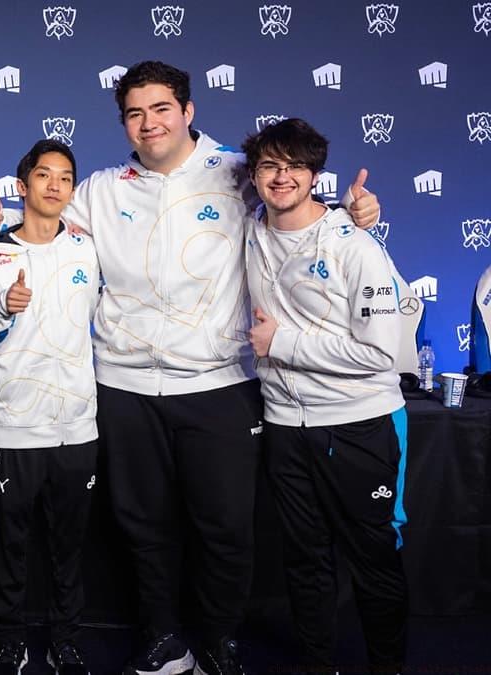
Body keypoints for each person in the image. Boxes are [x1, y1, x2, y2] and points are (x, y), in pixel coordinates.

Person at [0, 61, 381, 675]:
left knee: (225, 528)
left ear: (188, 111)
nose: (149, 123)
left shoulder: (239, 172)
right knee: (143, 525)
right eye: (135, 113)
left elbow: (294, 203)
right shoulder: (102, 189)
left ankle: (219, 639)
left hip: (219, 383)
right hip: (125, 385)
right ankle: (164, 639)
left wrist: (352, 213)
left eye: (161, 108)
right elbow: (41, 219)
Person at [243, 118, 408, 675]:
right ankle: (318, 665)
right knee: (305, 558)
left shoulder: (355, 246)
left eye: (295, 166)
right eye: (269, 165)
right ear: (254, 175)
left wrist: (281, 342)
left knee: (373, 558)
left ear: (316, 175)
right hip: (284, 426)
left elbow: (381, 354)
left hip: (358, 424)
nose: (281, 176)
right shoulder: (249, 231)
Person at [0, 139, 100, 675]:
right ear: (23, 186)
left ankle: (67, 640)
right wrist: (2, 306)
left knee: (70, 547)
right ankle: (10, 641)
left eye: (65, 177)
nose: (54, 185)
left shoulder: (88, 248)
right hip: (16, 428)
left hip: (77, 427)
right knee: (10, 546)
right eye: (44, 175)